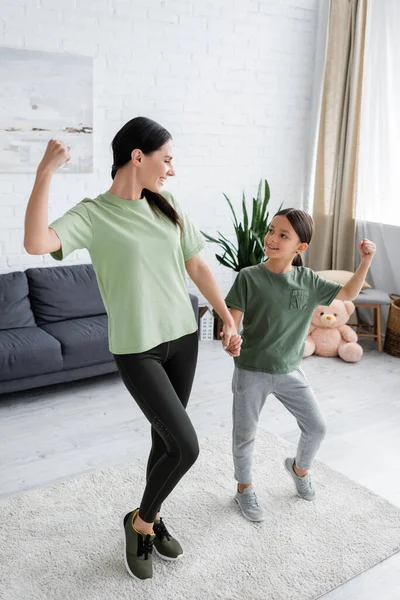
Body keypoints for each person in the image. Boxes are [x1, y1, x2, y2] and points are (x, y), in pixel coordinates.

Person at [24, 116, 242, 580]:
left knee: (164, 442)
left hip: (184, 336)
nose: (172, 170)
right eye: (167, 159)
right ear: (137, 157)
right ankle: (139, 522)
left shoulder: (167, 203)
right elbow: (35, 242)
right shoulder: (92, 215)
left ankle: (154, 514)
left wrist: (226, 318)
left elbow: (197, 266)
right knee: (186, 446)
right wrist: (44, 173)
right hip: (136, 349)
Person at [223, 208, 376, 521]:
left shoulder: (309, 281)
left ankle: (299, 469)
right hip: (251, 370)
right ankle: (244, 488)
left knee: (317, 427)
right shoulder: (248, 278)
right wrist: (230, 337)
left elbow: (348, 292)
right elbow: (230, 323)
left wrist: (365, 262)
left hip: (290, 370)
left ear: (300, 247)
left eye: (283, 235)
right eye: (270, 231)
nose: (272, 239)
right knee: (245, 435)